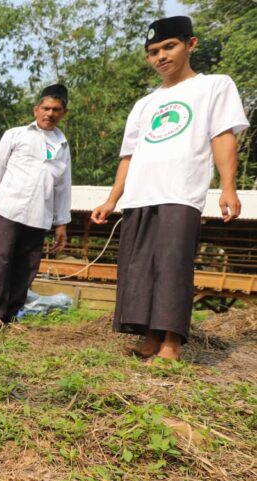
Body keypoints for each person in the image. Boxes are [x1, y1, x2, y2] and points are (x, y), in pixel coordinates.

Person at [91, 16, 249, 363]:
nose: (160, 56)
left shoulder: (214, 86)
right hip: (139, 195)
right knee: (140, 268)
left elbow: (222, 136)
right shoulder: (144, 104)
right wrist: (112, 199)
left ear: (190, 44)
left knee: (172, 266)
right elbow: (128, 156)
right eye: (152, 52)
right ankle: (149, 340)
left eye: (168, 46)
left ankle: (171, 345)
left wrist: (228, 187)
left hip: (180, 192)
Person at [0, 84, 71, 331]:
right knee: (1, 259)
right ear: (35, 109)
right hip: (8, 207)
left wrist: (62, 224)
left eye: (56, 109)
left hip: (40, 214)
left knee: (27, 266)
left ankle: (10, 314)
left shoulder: (63, 146)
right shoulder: (15, 134)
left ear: (64, 113)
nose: (50, 113)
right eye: (46, 108)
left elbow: (63, 187)